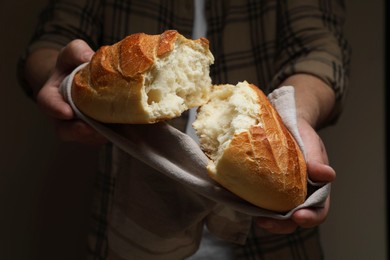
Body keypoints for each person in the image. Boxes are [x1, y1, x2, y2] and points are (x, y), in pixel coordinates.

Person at [18, 0, 350, 259]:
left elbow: (319, 50)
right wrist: (58, 77)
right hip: (131, 226)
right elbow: (51, 40)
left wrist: (298, 115)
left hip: (271, 244)